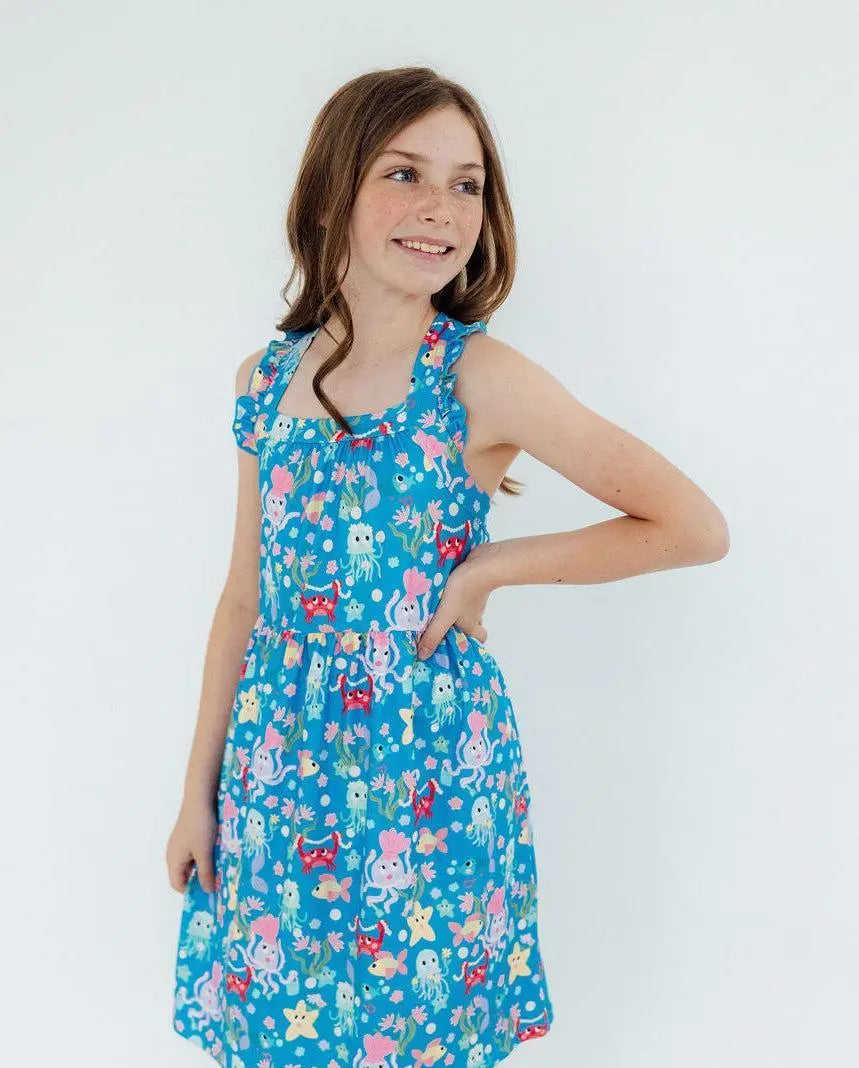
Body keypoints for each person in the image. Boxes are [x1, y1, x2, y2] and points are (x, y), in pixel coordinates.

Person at [166, 66, 729, 1068]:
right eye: (405, 174)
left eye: (467, 184)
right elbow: (243, 595)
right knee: (286, 1034)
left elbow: (689, 524)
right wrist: (195, 794)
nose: (440, 209)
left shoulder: (476, 376)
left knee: (416, 1036)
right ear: (333, 192)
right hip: (277, 771)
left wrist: (489, 570)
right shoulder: (263, 383)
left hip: (423, 777)